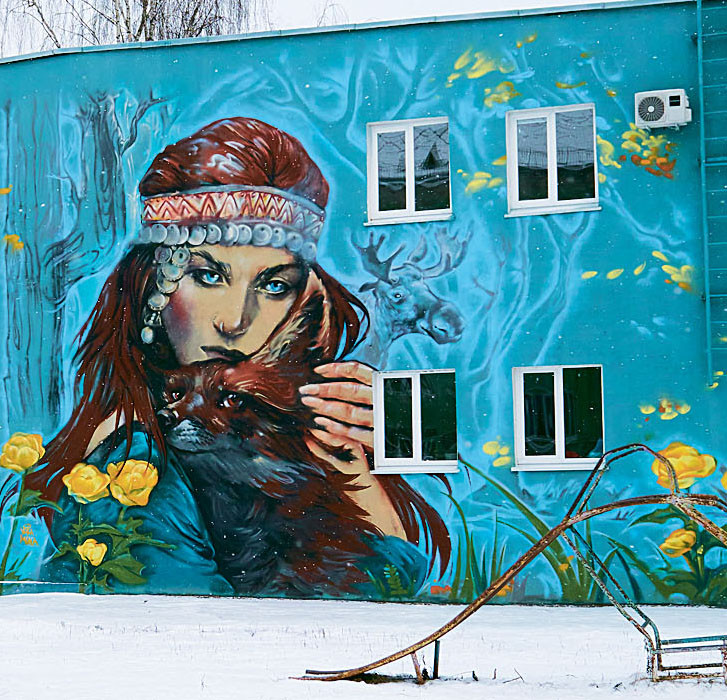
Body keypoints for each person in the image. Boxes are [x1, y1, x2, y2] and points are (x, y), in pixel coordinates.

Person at [30, 117, 449, 596]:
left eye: (274, 286)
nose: (234, 321)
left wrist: (362, 473)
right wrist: (381, 528)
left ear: (303, 308)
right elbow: (207, 628)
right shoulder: (132, 466)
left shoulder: (294, 445)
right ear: (153, 288)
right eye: (208, 277)